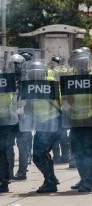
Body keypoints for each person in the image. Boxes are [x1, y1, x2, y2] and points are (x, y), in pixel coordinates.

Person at [19, 60, 61, 193]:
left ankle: (50, 182)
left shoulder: (51, 82)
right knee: (42, 153)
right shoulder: (29, 85)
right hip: (43, 124)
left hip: (52, 123)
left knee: (38, 155)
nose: (35, 77)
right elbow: (27, 107)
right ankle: (51, 179)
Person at [61, 49, 92, 192]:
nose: (80, 63)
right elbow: (64, 99)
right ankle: (83, 178)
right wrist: (67, 107)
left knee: (88, 152)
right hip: (74, 120)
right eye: (78, 61)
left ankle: (87, 182)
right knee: (77, 152)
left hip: (90, 120)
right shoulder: (69, 77)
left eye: (82, 61)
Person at [0, 55, 19, 193]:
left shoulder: (9, 80)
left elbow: (13, 102)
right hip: (7, 121)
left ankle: (4, 180)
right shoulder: (9, 80)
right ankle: (5, 179)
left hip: (6, 122)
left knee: (3, 152)